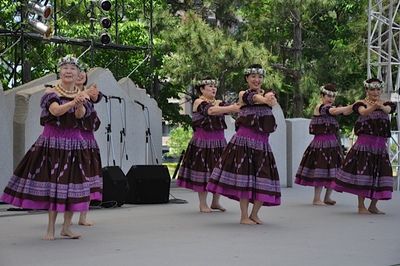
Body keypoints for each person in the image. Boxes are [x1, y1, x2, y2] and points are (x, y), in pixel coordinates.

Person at [1, 55, 90, 240]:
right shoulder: (50, 94)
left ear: (78, 74)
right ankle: (50, 229)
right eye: (65, 67)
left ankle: (66, 227)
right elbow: (55, 111)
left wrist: (80, 104)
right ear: (60, 71)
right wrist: (74, 103)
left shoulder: (80, 94)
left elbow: (80, 116)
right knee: (54, 186)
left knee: (72, 185)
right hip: (53, 144)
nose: (68, 71)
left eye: (72, 69)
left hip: (74, 144)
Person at [206, 64, 280, 225]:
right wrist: (266, 99)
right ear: (247, 78)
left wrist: (270, 98)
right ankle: (244, 216)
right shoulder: (244, 94)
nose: (257, 80)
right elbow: (254, 98)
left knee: (263, 179)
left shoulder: (269, 94)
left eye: (260, 77)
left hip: (262, 144)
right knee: (245, 179)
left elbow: (270, 98)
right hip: (244, 142)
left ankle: (254, 214)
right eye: (253, 76)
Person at [176, 78, 241, 213]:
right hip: (202, 142)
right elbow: (211, 111)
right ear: (201, 89)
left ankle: (215, 202)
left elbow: (228, 110)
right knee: (204, 172)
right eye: (210, 86)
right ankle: (202, 204)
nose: (213, 89)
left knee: (218, 172)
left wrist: (240, 105)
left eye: (215, 86)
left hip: (219, 142)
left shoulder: (219, 103)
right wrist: (232, 108)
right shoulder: (198, 102)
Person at [332, 78, 396, 214]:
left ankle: (373, 205)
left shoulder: (387, 103)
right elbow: (363, 112)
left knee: (381, 173)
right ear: (366, 90)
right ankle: (361, 206)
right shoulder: (360, 104)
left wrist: (381, 106)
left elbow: (387, 110)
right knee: (363, 173)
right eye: (372, 89)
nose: (375, 92)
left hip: (380, 146)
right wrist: (374, 107)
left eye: (378, 89)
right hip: (364, 144)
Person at [295, 84, 353, 206]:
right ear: (322, 96)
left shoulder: (332, 108)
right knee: (320, 170)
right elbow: (334, 111)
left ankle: (327, 197)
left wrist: (357, 106)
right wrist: (352, 105)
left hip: (332, 144)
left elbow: (345, 112)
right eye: (329, 96)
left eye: (333, 96)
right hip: (320, 144)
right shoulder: (320, 107)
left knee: (333, 171)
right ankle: (316, 198)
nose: (331, 99)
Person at [65, 65, 103, 226]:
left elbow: (96, 97)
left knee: (87, 175)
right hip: (74, 137)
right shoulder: (67, 92)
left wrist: (91, 93)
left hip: (88, 138)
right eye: (76, 72)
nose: (80, 75)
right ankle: (68, 218)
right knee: (72, 176)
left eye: (82, 72)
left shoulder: (90, 91)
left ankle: (83, 217)